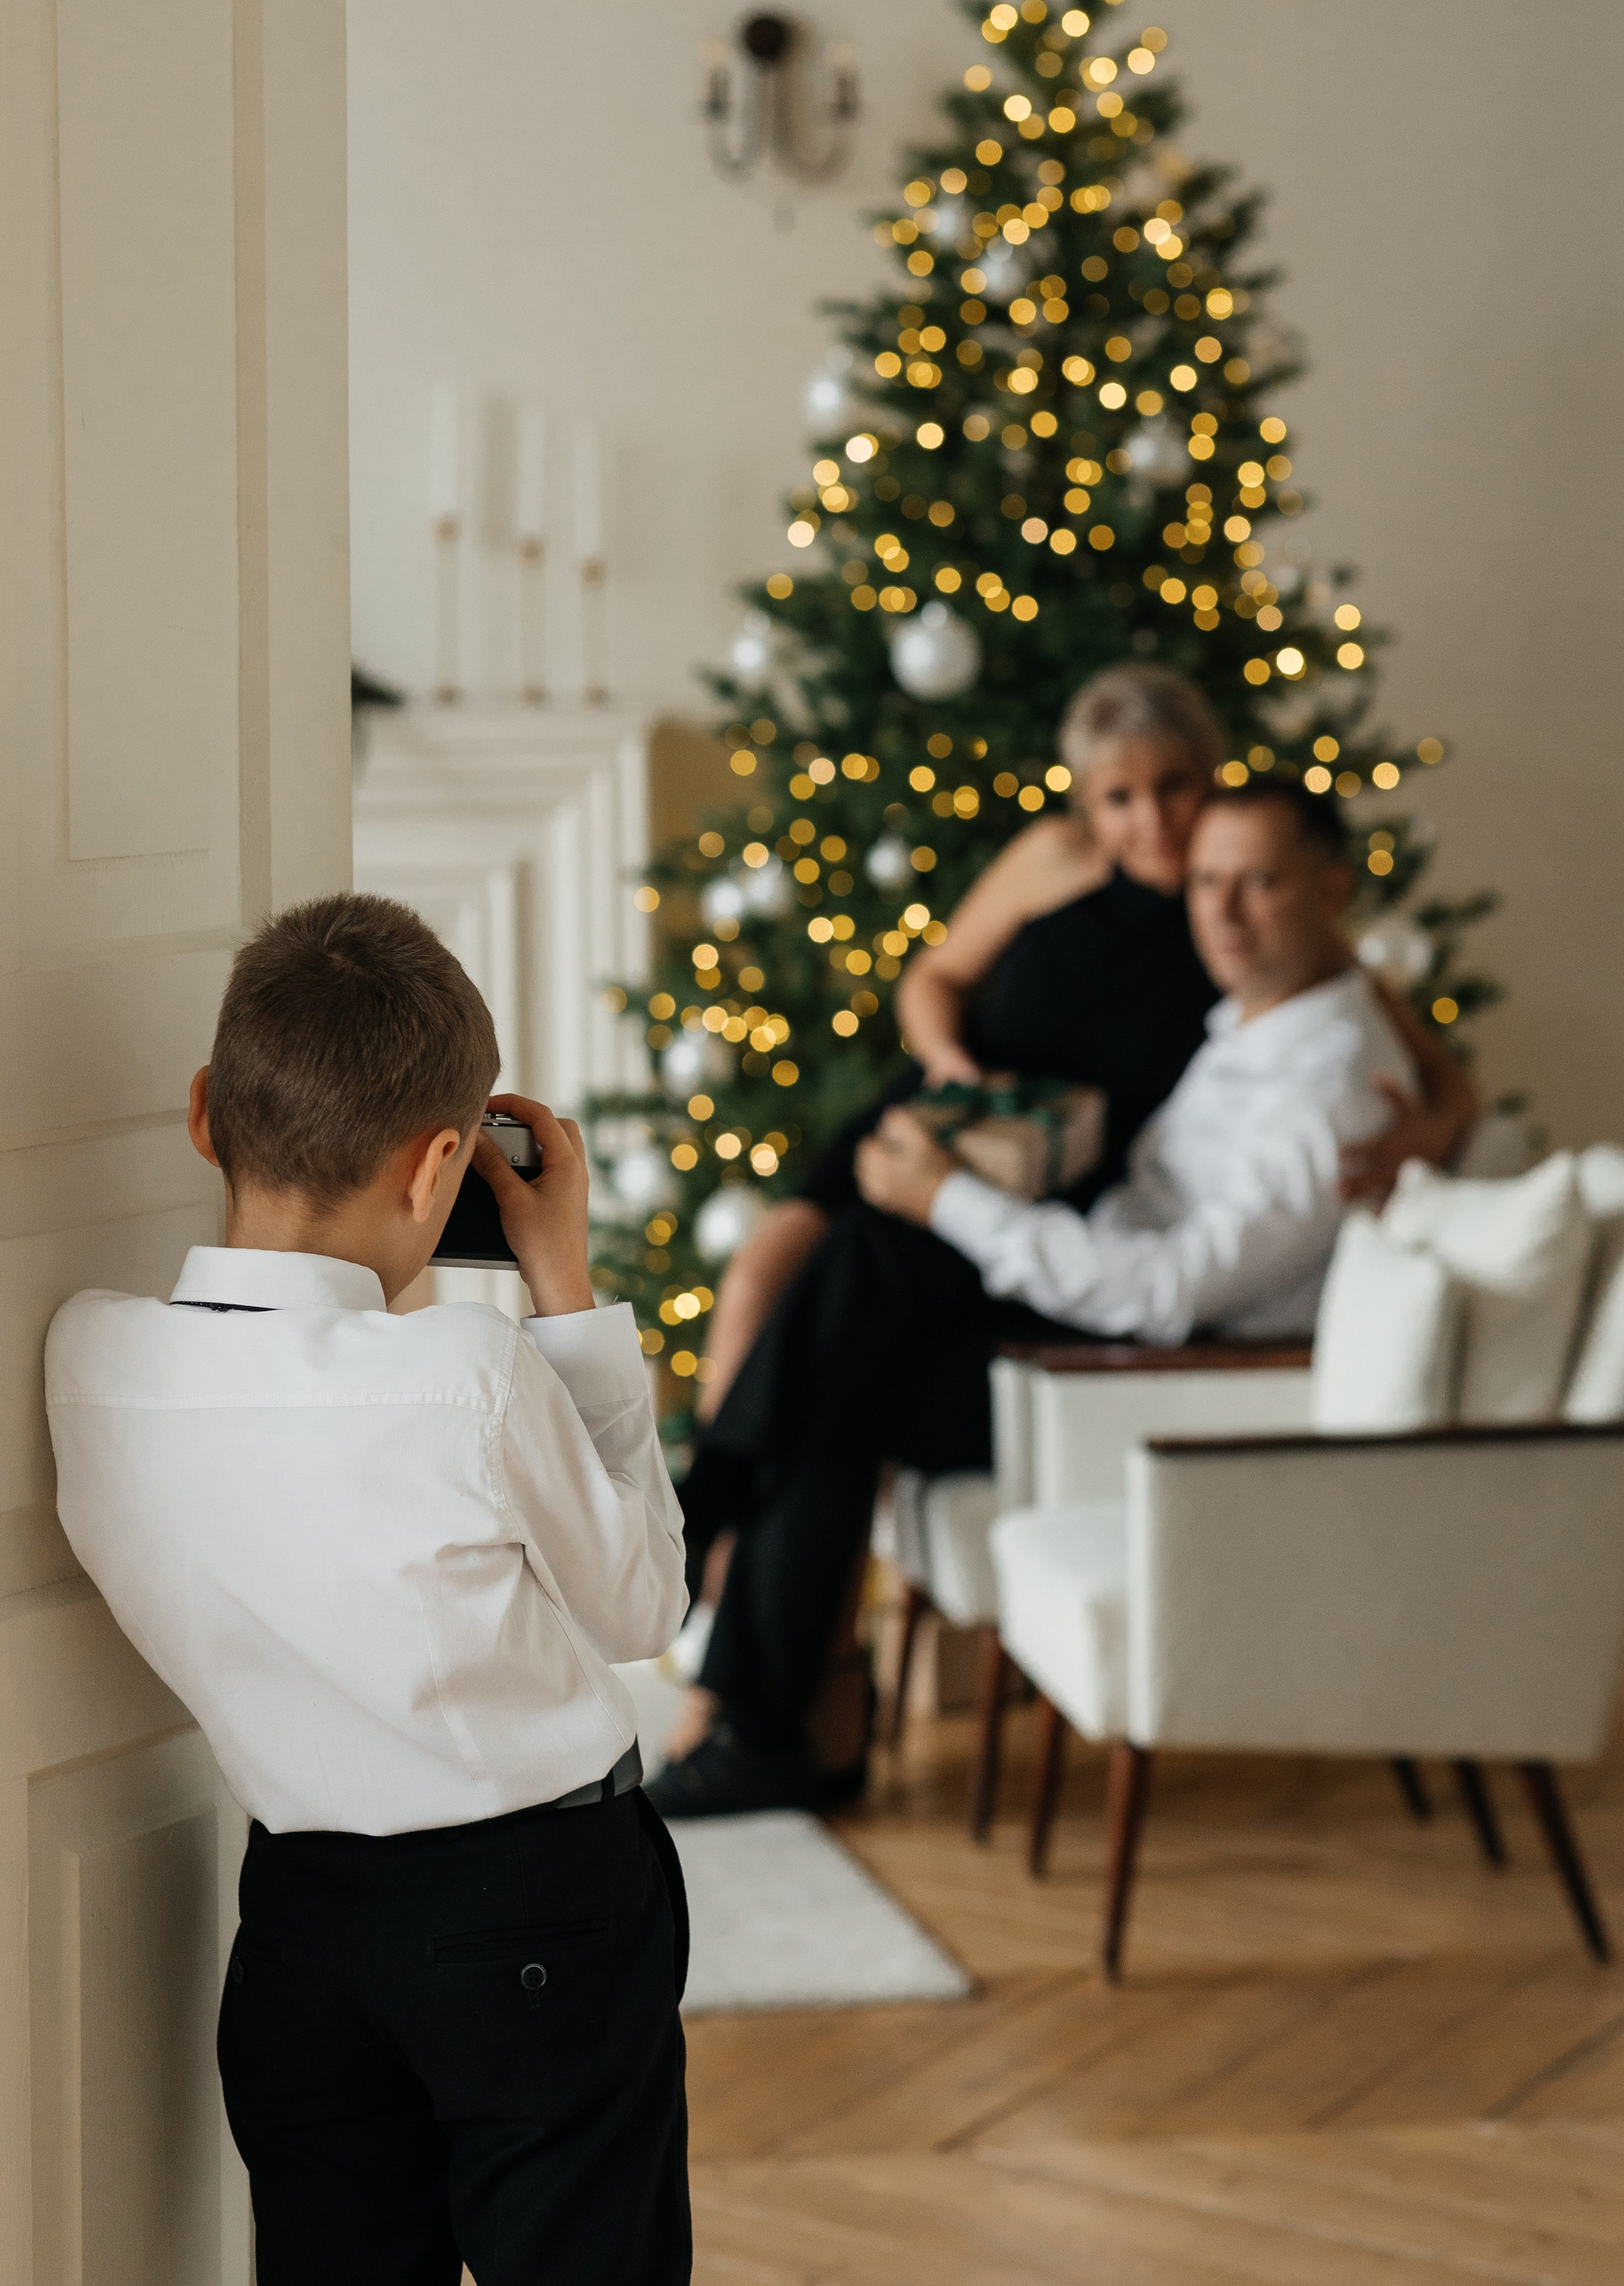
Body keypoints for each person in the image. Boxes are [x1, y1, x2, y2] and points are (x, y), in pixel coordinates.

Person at [46, 897, 691, 2286]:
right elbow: (640, 1610)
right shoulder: (465, 1373)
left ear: (209, 1115)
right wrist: (564, 1288)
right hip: (542, 1904)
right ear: (445, 1163)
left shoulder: (85, 1359)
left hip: (300, 1925)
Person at [653, 782, 1414, 1822]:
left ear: (1333, 887)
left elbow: (1164, 1293)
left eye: (1260, 883)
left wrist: (948, 1198)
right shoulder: (1260, 1017)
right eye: (1207, 882)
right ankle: (760, 1697)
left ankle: (710, 1536)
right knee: (864, 1290)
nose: (1223, 912)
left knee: (871, 1287)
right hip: (1093, 1317)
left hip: (1149, 1383)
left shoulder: (1334, 1093)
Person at [708, 661, 1474, 1395]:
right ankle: (691, 1528)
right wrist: (949, 1064)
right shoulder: (1052, 858)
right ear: (1086, 804)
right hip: (958, 1113)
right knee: (755, 1284)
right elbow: (933, 978)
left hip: (1071, 1183)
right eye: (1119, 797)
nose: (1153, 820)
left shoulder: (1252, 907)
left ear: (1209, 774)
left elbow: (1415, 1061)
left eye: (1174, 786)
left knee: (845, 1343)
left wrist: (1429, 1141)